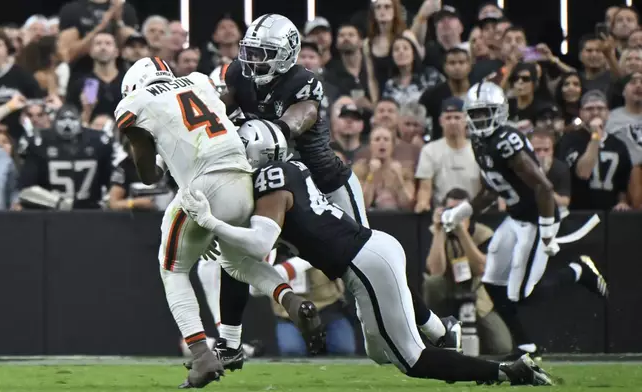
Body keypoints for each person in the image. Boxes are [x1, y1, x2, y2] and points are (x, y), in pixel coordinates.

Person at [180, 119, 554, 386]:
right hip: (369, 255)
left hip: (365, 263)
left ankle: (506, 372)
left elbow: (261, 244)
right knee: (380, 352)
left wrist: (210, 221)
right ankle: (443, 331)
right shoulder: (288, 168)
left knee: (412, 361)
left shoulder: (270, 180)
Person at [219, 14, 445, 370]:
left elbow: (301, 117)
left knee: (365, 263)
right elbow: (220, 112)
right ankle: (229, 342)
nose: (253, 61)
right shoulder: (238, 74)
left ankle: (434, 328)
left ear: (285, 55)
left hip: (327, 184)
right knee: (236, 255)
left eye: (263, 54)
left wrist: (271, 131)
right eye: (251, 52)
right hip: (275, 185)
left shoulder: (304, 81)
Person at [113, 57, 324, 388]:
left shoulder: (137, 101)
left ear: (134, 86)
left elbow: (147, 172)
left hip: (203, 185)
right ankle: (292, 300)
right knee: (238, 261)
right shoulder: (198, 80)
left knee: (173, 269)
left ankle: (201, 355)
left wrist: (156, 160)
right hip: (242, 180)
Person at [445, 81, 609, 360]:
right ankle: (525, 346)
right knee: (492, 281)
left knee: (519, 294)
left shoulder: (506, 141)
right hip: (516, 217)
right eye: (476, 114)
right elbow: (489, 189)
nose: (481, 119)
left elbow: (543, 188)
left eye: (487, 112)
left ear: (500, 112)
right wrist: (461, 212)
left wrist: (546, 233)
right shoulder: (479, 141)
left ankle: (577, 271)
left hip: (537, 220)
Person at [18, 104, 112, 210]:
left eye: (72, 119)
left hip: (90, 211)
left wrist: (107, 201)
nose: (67, 123)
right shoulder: (39, 143)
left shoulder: (99, 142)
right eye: (63, 119)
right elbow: (25, 189)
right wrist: (59, 203)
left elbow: (111, 183)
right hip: (49, 212)